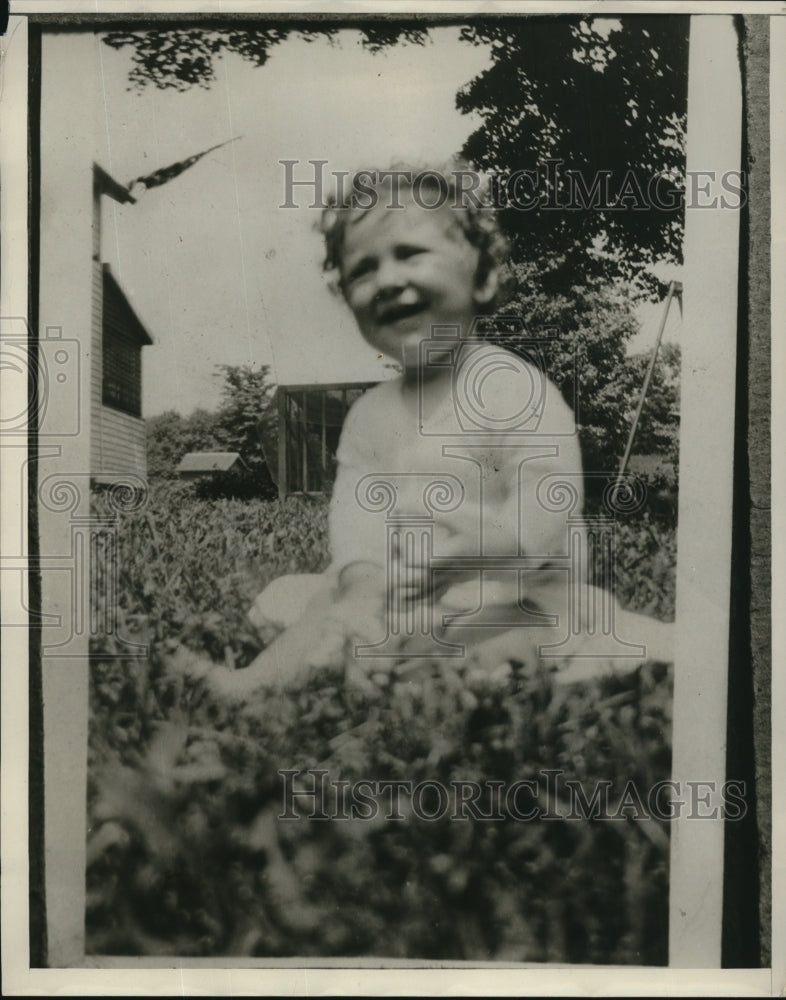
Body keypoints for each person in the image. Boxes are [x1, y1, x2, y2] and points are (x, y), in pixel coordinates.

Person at [180, 164, 672, 699]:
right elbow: (357, 517)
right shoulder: (369, 414)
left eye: (411, 254)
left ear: (482, 279)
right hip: (407, 589)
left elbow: (549, 498)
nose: (388, 280)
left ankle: (423, 674)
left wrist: (470, 555)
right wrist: (363, 588)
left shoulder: (513, 388)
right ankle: (252, 684)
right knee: (317, 603)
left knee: (517, 635)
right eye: (362, 270)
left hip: (515, 586)